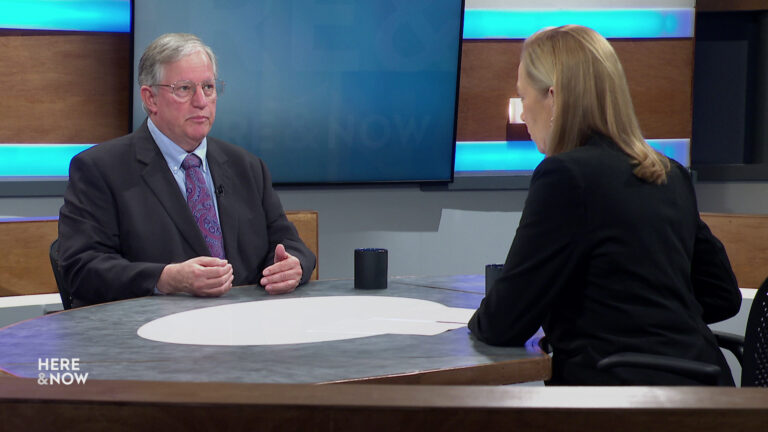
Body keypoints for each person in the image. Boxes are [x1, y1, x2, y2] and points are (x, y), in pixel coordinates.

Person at [468, 25, 741, 385]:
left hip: (617, 398)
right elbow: (721, 296)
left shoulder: (564, 177)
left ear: (552, 97)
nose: (522, 115)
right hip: (706, 391)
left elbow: (502, 324)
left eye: (524, 98)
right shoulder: (668, 173)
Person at [58, 33, 316, 307]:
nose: (201, 101)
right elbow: (81, 267)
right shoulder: (100, 169)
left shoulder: (248, 167)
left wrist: (293, 264)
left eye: (208, 87)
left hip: (244, 330)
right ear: (151, 99)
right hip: (150, 337)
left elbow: (289, 242)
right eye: (184, 89)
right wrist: (166, 278)